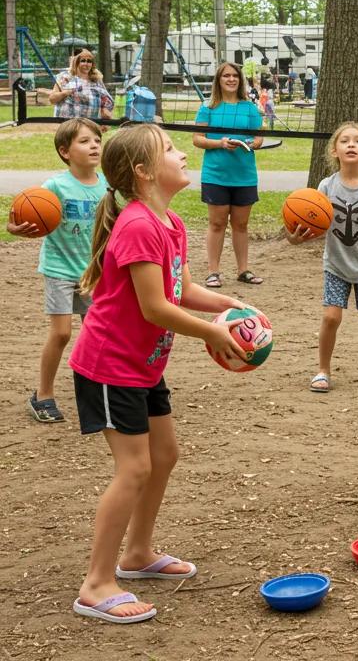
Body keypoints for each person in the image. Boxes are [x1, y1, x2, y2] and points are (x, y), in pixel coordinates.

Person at [69, 124, 250, 623]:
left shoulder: (167, 221)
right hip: (109, 365)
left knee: (164, 455)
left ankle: (137, 555)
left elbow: (182, 292)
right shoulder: (137, 225)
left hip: (142, 366)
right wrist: (213, 334)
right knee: (135, 468)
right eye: (170, 149)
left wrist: (232, 306)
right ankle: (96, 584)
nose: (182, 153)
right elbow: (154, 309)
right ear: (144, 172)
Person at [6, 118, 107, 423]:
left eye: (97, 141)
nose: (94, 146)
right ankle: (43, 395)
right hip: (60, 268)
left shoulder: (107, 185)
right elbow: (19, 217)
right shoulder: (53, 187)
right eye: (85, 141)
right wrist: (16, 228)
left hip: (94, 272)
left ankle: (99, 392)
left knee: (97, 335)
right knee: (62, 333)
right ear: (65, 151)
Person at [287, 122, 358, 392]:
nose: (351, 145)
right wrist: (295, 237)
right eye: (345, 141)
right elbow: (312, 228)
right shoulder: (326, 187)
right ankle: (323, 370)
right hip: (336, 265)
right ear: (334, 151)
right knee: (331, 317)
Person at [192, 63, 264, 288]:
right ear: (219, 80)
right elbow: (197, 138)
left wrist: (250, 144)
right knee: (217, 223)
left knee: (241, 225)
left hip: (244, 175)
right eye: (226, 76)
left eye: (235, 76)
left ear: (240, 80)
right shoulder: (208, 107)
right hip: (216, 175)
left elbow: (259, 139)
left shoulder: (250, 108)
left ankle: (243, 270)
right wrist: (220, 143)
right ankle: (213, 272)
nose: (231, 79)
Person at [49, 49, 114, 121]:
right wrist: (66, 93)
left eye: (89, 61)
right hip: (68, 125)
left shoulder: (96, 80)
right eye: (83, 61)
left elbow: (106, 101)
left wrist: (105, 119)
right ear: (76, 63)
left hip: (90, 124)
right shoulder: (65, 77)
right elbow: (52, 99)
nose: (86, 64)